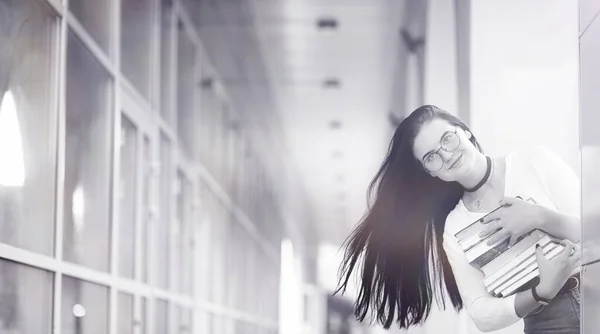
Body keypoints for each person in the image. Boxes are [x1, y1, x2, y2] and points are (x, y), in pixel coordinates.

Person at [336, 105, 581, 333]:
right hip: (549, 322)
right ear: (428, 171)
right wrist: (541, 292)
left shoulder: (534, 161)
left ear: (464, 131)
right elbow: (480, 312)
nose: (447, 154)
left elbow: (595, 229)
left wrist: (539, 216)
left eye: (447, 138)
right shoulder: (455, 227)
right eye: (431, 157)